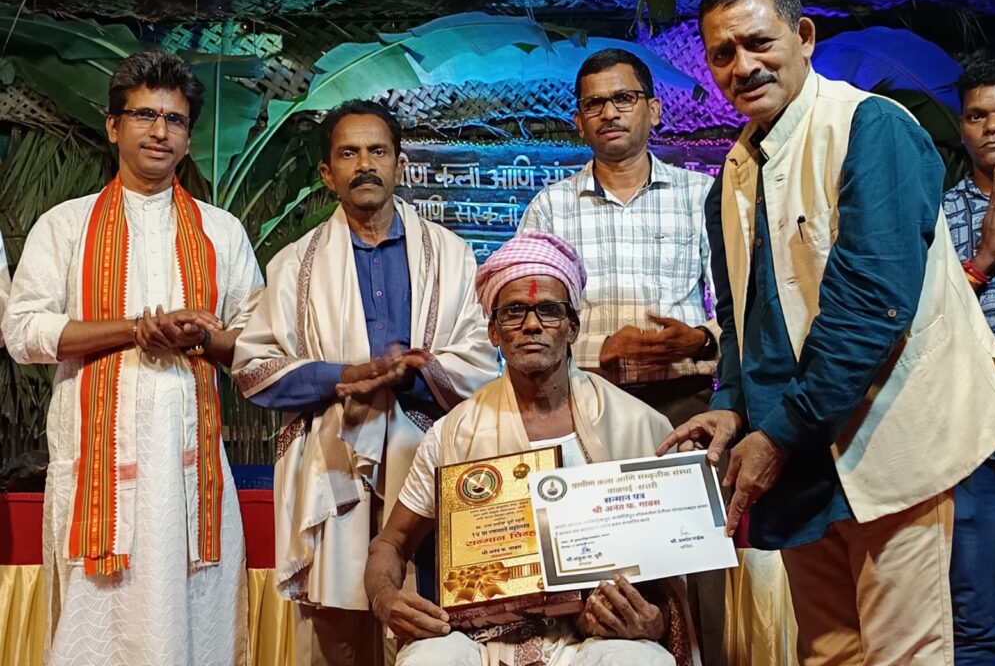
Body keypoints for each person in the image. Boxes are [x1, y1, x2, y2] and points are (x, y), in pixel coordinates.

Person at [660, 0, 995, 664]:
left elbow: (871, 304)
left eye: (759, 42)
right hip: (801, 454)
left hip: (884, 438)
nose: (743, 66)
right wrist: (732, 406)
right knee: (827, 652)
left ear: (803, 36)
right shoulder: (733, 174)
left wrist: (777, 434)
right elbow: (740, 315)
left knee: (902, 652)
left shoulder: (870, 127)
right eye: (723, 54)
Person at [2, 50, 264, 666]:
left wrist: (200, 338)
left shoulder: (221, 232)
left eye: (174, 119)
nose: (159, 131)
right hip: (97, 486)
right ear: (113, 125)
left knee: (192, 632)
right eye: (145, 115)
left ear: (188, 137)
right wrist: (134, 330)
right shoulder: (65, 226)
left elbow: (259, 343)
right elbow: (23, 332)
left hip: (190, 484)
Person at [232, 100, 499, 666]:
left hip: (428, 455)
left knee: (430, 619)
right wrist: (346, 377)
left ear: (400, 164)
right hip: (332, 462)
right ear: (327, 174)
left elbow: (481, 358)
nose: (364, 165)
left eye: (377, 151)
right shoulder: (294, 265)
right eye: (348, 153)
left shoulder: (451, 255)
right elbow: (254, 369)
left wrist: (419, 372)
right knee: (339, 631)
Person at [364, 231, 697, 666]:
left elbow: (674, 574)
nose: (532, 324)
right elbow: (390, 544)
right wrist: (387, 599)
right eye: (514, 311)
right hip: (480, 639)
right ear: (493, 331)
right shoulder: (453, 434)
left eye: (549, 310)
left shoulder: (640, 426)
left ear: (573, 327)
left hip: (593, 637)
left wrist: (652, 621)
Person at [518, 48, 724, 662]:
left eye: (624, 98)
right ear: (579, 122)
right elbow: (528, 318)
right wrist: (596, 349)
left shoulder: (703, 196)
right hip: (584, 408)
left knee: (690, 563)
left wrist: (699, 339)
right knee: (592, 570)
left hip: (684, 408)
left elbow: (743, 307)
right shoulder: (550, 208)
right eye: (594, 104)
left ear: (654, 110)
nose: (609, 112)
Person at [943, 59, 995, 664]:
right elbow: (916, 327)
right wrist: (981, 263)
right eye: (977, 115)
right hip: (978, 444)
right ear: (961, 126)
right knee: (974, 629)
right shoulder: (934, 215)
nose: (992, 126)